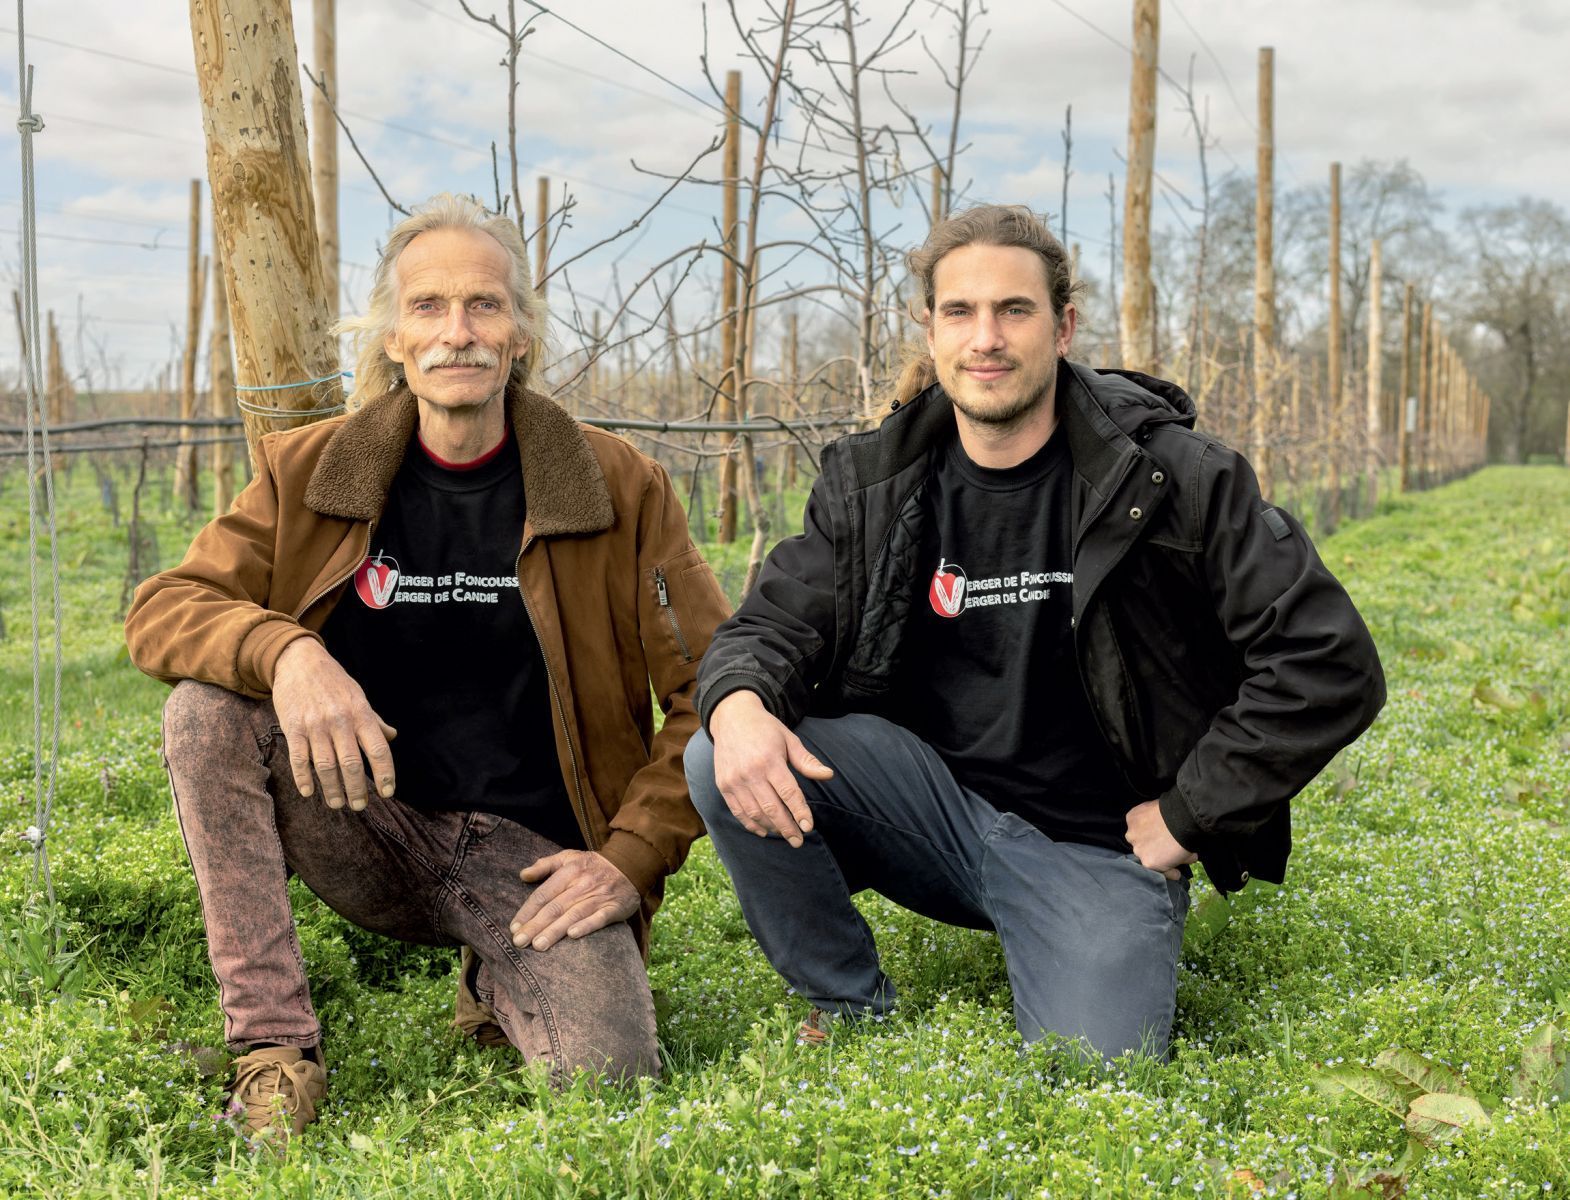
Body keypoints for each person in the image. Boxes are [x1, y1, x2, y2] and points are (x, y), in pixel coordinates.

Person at [684, 204, 1385, 1061]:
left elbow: (1330, 660)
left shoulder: (1170, 477)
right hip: (931, 813)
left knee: (1096, 1064)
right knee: (722, 748)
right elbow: (772, 624)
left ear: (1063, 326)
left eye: (1014, 310)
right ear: (930, 328)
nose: (987, 337)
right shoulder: (877, 480)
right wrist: (741, 705)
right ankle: (848, 1001)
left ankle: (1083, 935)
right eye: (960, 312)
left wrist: (1189, 812)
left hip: (1096, 847)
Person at [126, 193, 729, 1140]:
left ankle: (497, 977)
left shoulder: (617, 484)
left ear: (521, 333)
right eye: (429, 307)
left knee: (609, 1086)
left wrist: (628, 861)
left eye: (485, 306)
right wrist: (287, 653)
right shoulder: (311, 472)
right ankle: (275, 1050)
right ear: (394, 337)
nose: (459, 333)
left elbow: (713, 689)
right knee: (208, 708)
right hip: (367, 815)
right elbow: (163, 610)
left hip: (532, 861)